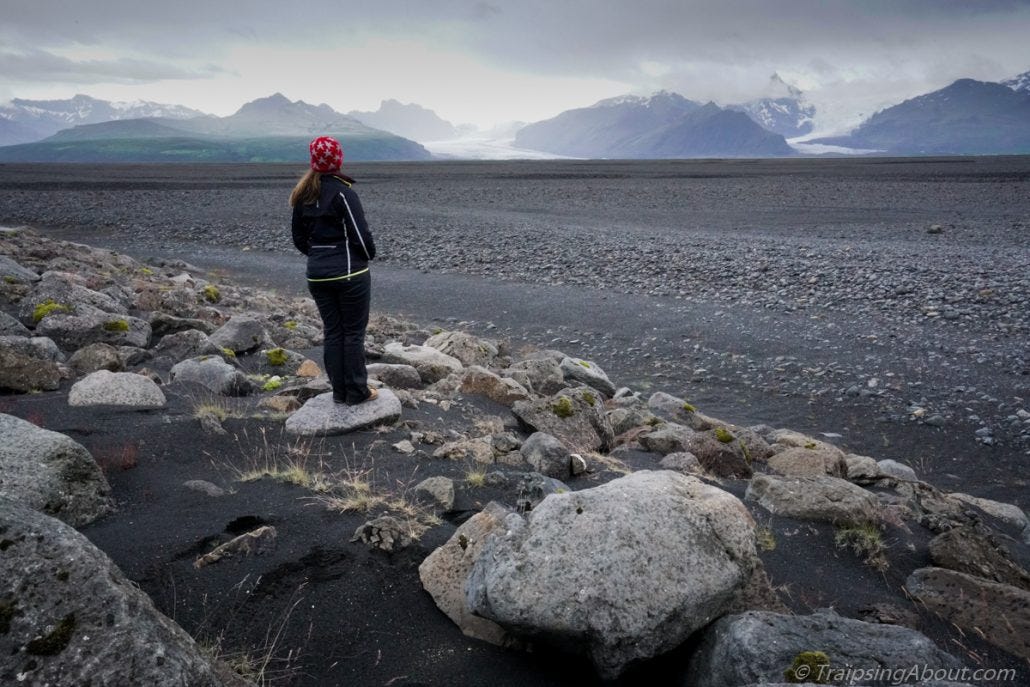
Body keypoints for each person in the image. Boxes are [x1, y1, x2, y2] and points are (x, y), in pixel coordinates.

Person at [289, 135, 378, 405]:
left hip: (316, 274)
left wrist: (319, 256)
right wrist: (365, 256)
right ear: (338, 159)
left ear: (314, 161)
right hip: (349, 273)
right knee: (353, 333)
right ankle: (357, 392)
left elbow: (298, 238)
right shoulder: (343, 193)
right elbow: (360, 237)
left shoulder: (303, 194)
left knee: (333, 331)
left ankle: (339, 392)